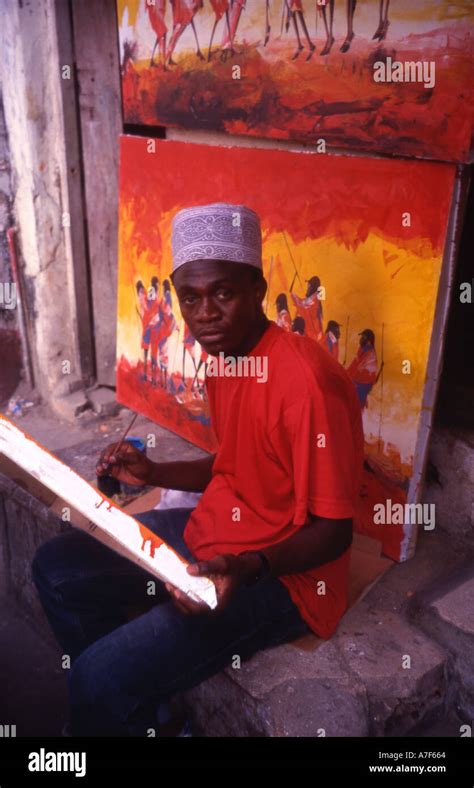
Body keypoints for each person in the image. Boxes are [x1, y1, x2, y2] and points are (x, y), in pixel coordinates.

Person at [32, 203, 364, 737]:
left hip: (281, 579)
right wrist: (155, 472)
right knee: (56, 569)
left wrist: (247, 568)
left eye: (223, 294)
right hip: (212, 536)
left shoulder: (305, 383)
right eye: (191, 298)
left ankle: (117, 702)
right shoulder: (226, 357)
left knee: (95, 677)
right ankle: (146, 720)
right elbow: (239, 463)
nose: (205, 313)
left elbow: (333, 532)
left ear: (256, 289)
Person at [346, 328, 379, 409]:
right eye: (361, 337)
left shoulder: (370, 354)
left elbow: (358, 369)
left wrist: (348, 377)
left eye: (363, 337)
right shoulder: (362, 349)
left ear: (369, 340)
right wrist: (345, 374)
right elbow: (354, 364)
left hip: (364, 383)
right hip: (358, 380)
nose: (361, 339)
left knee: (356, 405)